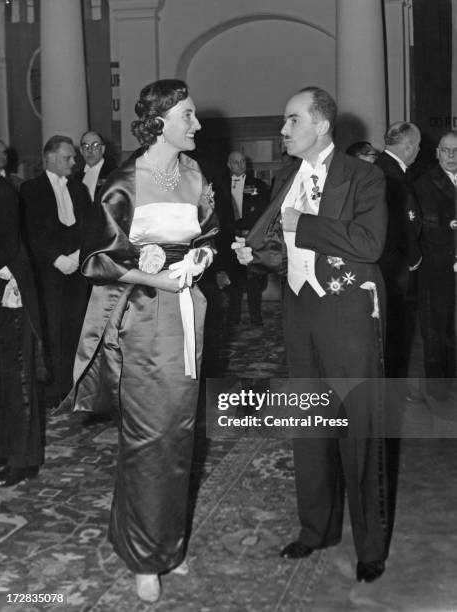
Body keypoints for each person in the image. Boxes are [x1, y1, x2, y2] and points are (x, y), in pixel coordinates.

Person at [68, 80, 218, 603]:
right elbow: (97, 260)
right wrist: (153, 275)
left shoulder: (195, 174)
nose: (196, 124)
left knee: (181, 434)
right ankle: (140, 556)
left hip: (188, 315)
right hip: (144, 318)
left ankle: (166, 546)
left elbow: (208, 233)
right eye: (188, 115)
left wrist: (199, 259)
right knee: (148, 436)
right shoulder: (124, 183)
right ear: (159, 121)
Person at [233, 86, 389, 583]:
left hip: (347, 315)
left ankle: (370, 545)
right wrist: (256, 255)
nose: (284, 130)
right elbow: (286, 250)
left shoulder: (364, 175)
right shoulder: (285, 177)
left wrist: (307, 221)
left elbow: (369, 244)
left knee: (360, 431)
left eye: (292, 120)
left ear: (321, 125)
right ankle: (316, 527)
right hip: (299, 314)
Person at [21, 136, 92, 407]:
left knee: (76, 328)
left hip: (76, 271)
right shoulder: (31, 189)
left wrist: (77, 255)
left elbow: (88, 226)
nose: (74, 162)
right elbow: (31, 231)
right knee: (52, 329)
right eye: (68, 157)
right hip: (48, 274)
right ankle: (53, 391)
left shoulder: (79, 189)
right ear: (50, 158)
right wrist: (56, 259)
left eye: (74, 157)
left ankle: (73, 386)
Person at [0, 175, 45, 486]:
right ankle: (4, 450)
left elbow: (8, 245)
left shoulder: (2, 192)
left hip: (10, 289)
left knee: (18, 377)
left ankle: (24, 458)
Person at [375, 122, 422, 377]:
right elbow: (400, 224)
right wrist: (414, 259)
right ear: (408, 146)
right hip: (394, 271)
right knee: (395, 339)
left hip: (392, 268)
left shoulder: (388, 168)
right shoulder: (389, 175)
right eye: (418, 145)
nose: (418, 151)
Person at [413, 130, 457, 397]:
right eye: (446, 150)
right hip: (437, 268)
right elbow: (421, 230)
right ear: (437, 152)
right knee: (436, 332)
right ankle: (438, 392)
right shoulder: (423, 184)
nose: (451, 156)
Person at [225, 150, 270, 325]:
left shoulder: (258, 184)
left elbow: (265, 211)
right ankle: (233, 318)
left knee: (253, 280)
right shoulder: (221, 185)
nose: (240, 165)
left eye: (243, 161)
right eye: (235, 162)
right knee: (234, 279)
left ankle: (256, 318)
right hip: (230, 237)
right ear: (229, 165)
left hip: (251, 236)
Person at [74, 130, 117, 202]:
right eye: (85, 146)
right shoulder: (77, 176)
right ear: (81, 151)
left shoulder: (114, 174)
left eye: (95, 145)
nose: (90, 150)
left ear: (103, 149)